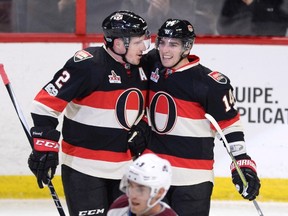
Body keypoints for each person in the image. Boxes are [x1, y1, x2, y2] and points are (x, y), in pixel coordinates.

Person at [130, 19, 261, 215]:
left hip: (193, 178)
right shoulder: (152, 63)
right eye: (162, 42)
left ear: (187, 47)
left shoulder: (211, 84)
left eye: (173, 44)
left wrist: (241, 163)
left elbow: (229, 126)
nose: (165, 49)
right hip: (153, 175)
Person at [27, 10, 151, 216]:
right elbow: (44, 104)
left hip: (126, 170)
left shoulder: (143, 67)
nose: (144, 48)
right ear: (119, 43)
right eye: (138, 42)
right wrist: (44, 147)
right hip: (84, 170)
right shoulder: (87, 65)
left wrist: (144, 125)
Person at [107, 153, 178, 216]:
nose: (133, 195)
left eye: (141, 189)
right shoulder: (119, 207)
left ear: (159, 192)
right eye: (131, 186)